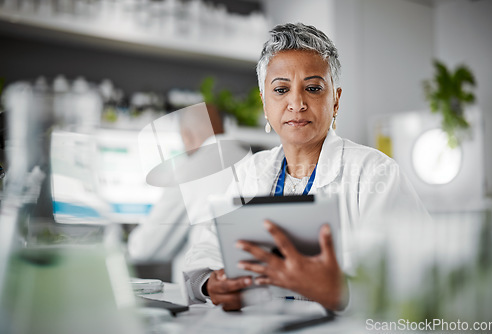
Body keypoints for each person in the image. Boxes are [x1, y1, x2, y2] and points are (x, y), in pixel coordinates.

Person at [182, 23, 429, 311]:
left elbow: (420, 279)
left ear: (335, 101)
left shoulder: (375, 173)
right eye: (281, 89)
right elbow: (203, 255)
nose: (296, 103)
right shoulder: (250, 172)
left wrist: (341, 291)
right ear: (264, 102)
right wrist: (213, 284)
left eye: (312, 88)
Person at [128, 103, 249, 282]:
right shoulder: (253, 161)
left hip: (206, 294)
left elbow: (144, 248)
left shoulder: (188, 171)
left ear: (186, 136)